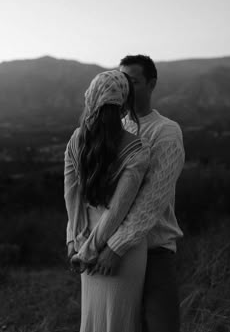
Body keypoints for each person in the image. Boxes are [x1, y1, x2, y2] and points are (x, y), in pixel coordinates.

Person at [91, 55, 185, 332]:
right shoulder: (115, 130)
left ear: (152, 84)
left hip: (154, 250)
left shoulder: (166, 132)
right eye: (122, 82)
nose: (126, 90)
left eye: (133, 82)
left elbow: (152, 201)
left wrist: (115, 248)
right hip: (111, 250)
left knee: (160, 326)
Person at [64, 70, 151, 332]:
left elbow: (72, 200)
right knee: (120, 322)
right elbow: (118, 211)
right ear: (124, 103)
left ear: (90, 98)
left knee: (94, 322)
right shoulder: (138, 148)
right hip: (117, 250)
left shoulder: (76, 140)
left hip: (86, 247)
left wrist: (76, 241)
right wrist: (90, 249)